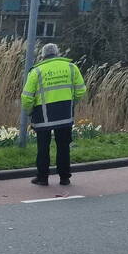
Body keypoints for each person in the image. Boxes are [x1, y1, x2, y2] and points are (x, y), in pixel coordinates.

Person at [21, 43, 87, 186]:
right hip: (64, 114)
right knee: (63, 147)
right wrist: (71, 103)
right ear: (57, 53)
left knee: (43, 148)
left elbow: (26, 97)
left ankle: (42, 178)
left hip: (43, 115)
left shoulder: (37, 71)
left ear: (43, 55)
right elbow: (81, 90)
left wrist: (30, 111)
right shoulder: (71, 67)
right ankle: (64, 178)